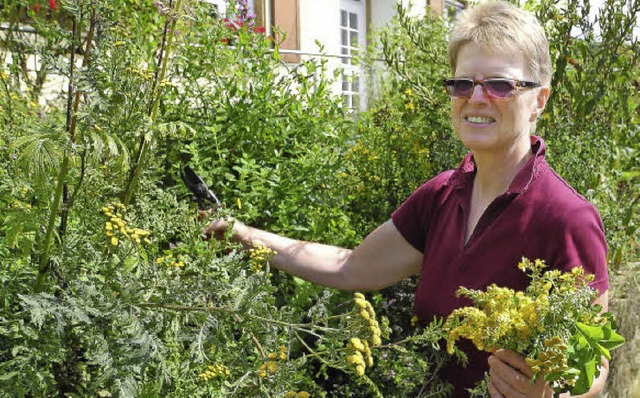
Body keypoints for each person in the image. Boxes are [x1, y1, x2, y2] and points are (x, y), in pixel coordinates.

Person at [205, 1, 610, 396]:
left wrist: (553, 394)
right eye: (462, 83)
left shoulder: (566, 218)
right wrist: (244, 235)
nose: (477, 98)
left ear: (539, 99)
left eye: (501, 85)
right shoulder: (441, 196)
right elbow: (350, 267)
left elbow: (595, 365)